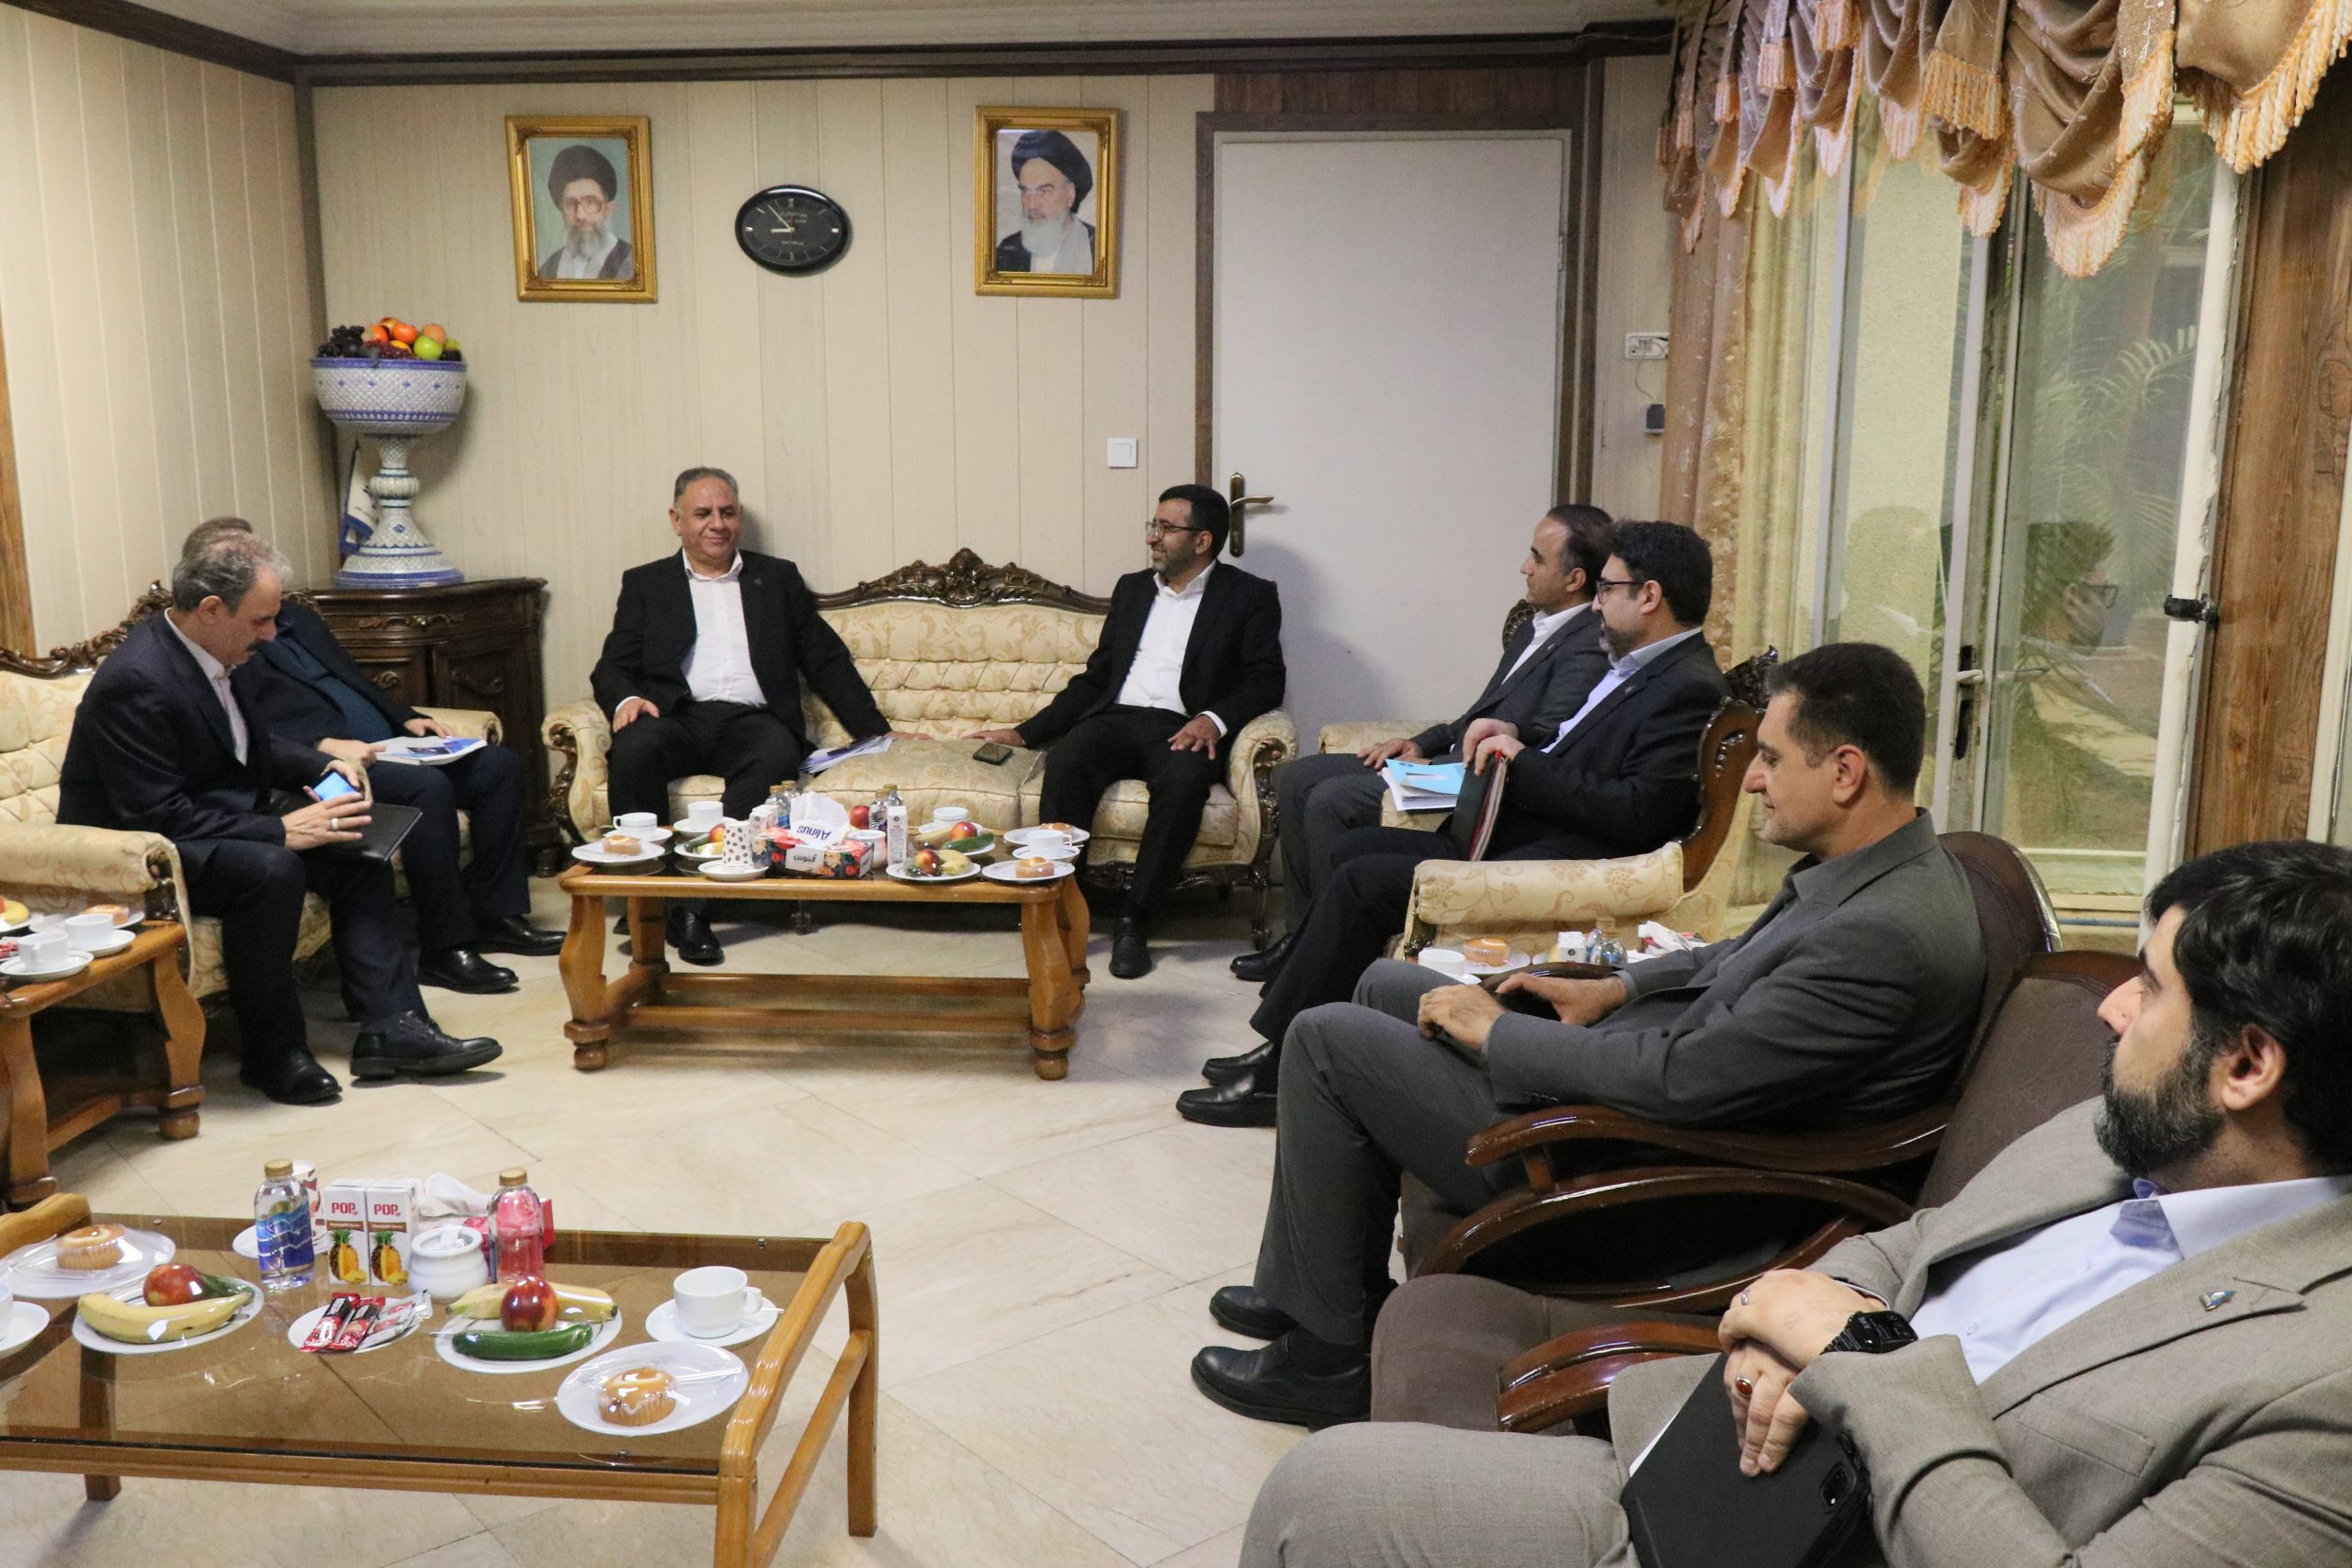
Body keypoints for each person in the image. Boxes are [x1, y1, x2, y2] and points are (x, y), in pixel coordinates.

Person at [1247, 839, 2352, 1568]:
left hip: (1838, 1540)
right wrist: (1790, 1339)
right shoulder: (2128, 1141)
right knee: (1322, 1494)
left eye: (2149, 988)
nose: (2110, 1010)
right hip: (1732, 1470)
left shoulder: (2325, 1391)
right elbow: (1913, 1241)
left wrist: (1857, 1359)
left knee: (1320, 1496)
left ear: (2245, 1064)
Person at [1188, 641, 1984, 1427]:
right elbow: (1733, 958)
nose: (1752, 778)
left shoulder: (1882, 935)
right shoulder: (1872, 870)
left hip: (1654, 1176)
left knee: (1326, 1040)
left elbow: (1681, 1078)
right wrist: (1615, 986)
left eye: (1770, 758)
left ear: (1845, 772)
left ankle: (1328, 1360)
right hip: (1651, 1104)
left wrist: (1500, 1034)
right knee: (1385, 984)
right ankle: (1317, 1285)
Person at [1180, 522, 1728, 1128]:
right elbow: (1569, 744)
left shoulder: (1686, 687)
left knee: (1363, 881)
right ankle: (1299, 1040)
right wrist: (1514, 733)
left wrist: (1520, 761)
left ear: (1649, 596)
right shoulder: (1639, 667)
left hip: (1549, 863)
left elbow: (1636, 812)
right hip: (1512, 832)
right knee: (1354, 849)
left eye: (1607, 589)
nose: (1596, 604)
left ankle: (1276, 1071)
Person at [56, 532, 503, 1106]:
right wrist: (281, 830)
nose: (271, 634)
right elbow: (155, 813)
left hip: (209, 821)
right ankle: (274, 1054)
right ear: (211, 609)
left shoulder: (222, 651)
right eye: (261, 620)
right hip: (141, 855)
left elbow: (247, 744)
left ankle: (393, 1028)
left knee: (353, 844)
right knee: (272, 869)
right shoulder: (138, 680)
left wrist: (320, 765)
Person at [1233, 505, 1615, 985]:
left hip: (1480, 781)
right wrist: (1416, 743)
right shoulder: (1534, 627)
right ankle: (1300, 938)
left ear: (1574, 578)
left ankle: (1333, 953)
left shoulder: (1586, 643)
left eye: (1537, 558)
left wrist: (1452, 758)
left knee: (1331, 799)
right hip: (1449, 765)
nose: (1525, 567)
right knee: (1299, 775)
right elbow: (1479, 711)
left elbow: (1547, 733)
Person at [183, 519, 563, 996]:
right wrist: (320, 746)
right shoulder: (224, 644)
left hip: (388, 744)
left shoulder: (298, 618)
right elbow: (248, 732)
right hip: (324, 767)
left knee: (496, 766)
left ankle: (498, 916)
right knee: (428, 790)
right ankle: (446, 947)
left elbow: (355, 681)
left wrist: (407, 718)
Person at [969, 484, 1284, 979]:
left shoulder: (1249, 596)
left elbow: (1266, 679)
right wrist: (1025, 733)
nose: (1152, 538)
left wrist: (1213, 720)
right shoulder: (1133, 589)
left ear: (1202, 540)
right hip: (1117, 719)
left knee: (1184, 783)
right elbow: (1096, 677)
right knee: (1068, 760)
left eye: (1165, 528)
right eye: (1153, 526)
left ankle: (1136, 919)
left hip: (1183, 727)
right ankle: (1061, 904)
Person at [592, 466, 898, 965]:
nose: (718, 523)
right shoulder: (647, 583)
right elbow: (612, 665)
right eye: (703, 513)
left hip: (751, 722)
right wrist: (627, 700)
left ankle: (692, 907)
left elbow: (824, 659)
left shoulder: (776, 578)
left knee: (775, 753)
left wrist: (876, 732)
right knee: (634, 747)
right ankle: (644, 894)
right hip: (677, 716)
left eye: (727, 512)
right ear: (677, 521)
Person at [994, 129, 1096, 275]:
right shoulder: (1007, 251)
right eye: (1025, 190)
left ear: (1070, 194)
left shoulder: (1097, 246)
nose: (1032, 205)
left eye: (1043, 191)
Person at [539, 142, 635, 281]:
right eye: (570, 204)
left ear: (609, 207)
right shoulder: (548, 269)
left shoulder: (632, 262)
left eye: (590, 202)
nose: (580, 215)